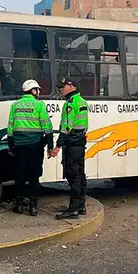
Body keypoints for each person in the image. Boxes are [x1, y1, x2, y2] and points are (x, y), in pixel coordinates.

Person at [7, 79, 53, 216]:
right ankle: (33, 207)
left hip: (19, 147)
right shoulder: (39, 105)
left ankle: (19, 205)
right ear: (33, 91)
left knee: (19, 176)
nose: (39, 92)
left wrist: (11, 146)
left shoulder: (15, 105)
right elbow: (47, 127)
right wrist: (50, 145)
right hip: (35, 147)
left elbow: (10, 127)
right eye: (37, 90)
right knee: (34, 177)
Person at [50, 77, 89, 219]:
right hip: (80, 143)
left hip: (72, 145)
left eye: (62, 86)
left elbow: (66, 128)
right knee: (80, 174)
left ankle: (73, 209)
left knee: (73, 176)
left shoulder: (70, 104)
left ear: (71, 86)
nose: (60, 90)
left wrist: (58, 146)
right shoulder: (82, 101)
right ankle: (81, 205)